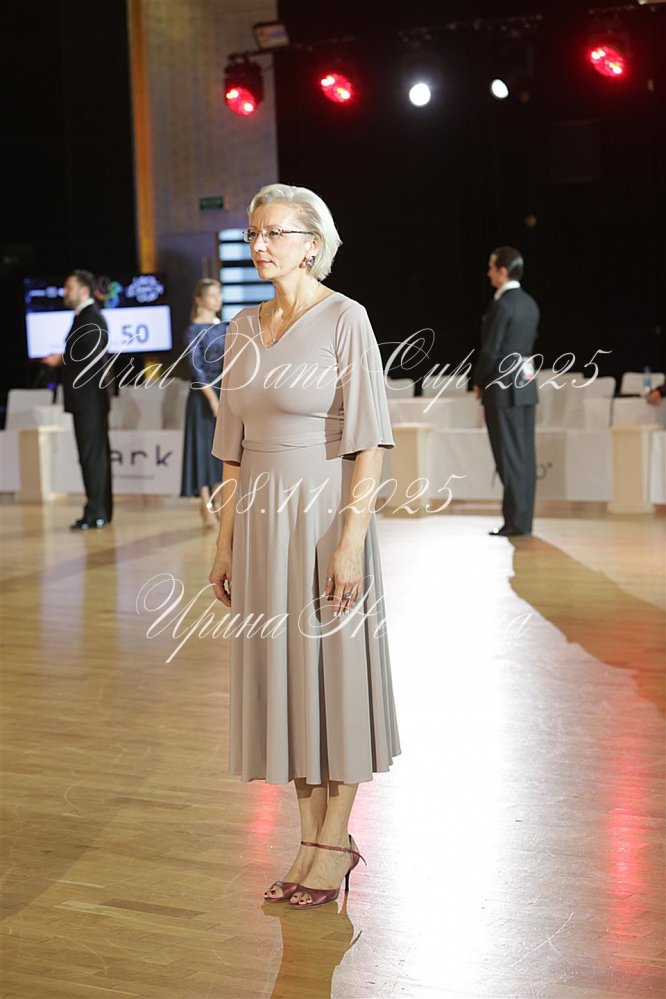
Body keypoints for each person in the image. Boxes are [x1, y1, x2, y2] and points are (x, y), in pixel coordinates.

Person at [208, 184, 400, 910]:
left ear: (312, 244)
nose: (260, 245)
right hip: (263, 530)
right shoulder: (241, 327)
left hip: (324, 520)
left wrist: (351, 542)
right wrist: (226, 544)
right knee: (290, 684)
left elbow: (370, 444)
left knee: (335, 679)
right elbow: (232, 450)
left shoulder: (348, 318)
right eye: (253, 233)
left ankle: (333, 839)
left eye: (275, 233)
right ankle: (310, 840)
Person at [473, 246, 539, 537]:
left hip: (502, 387)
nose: (488, 273)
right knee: (524, 454)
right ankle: (522, 520)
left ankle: (515, 522)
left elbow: (491, 350)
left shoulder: (502, 305)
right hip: (525, 383)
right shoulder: (529, 303)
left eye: (491, 267)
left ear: (502, 271)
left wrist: (478, 380)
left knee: (507, 455)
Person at [43, 270, 112, 529]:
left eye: (69, 287)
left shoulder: (91, 317)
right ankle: (98, 510)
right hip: (87, 401)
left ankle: (96, 512)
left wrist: (62, 359)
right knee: (92, 456)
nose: (65, 292)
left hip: (89, 400)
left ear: (83, 290)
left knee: (92, 457)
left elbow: (89, 356)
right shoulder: (85, 316)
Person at [180, 278, 226, 527]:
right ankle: (205, 502)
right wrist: (212, 400)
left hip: (225, 392)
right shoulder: (193, 330)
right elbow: (197, 369)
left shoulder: (224, 326)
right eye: (212, 295)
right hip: (202, 396)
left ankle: (218, 499)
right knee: (202, 449)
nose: (217, 300)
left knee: (221, 450)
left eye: (219, 295)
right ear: (199, 300)